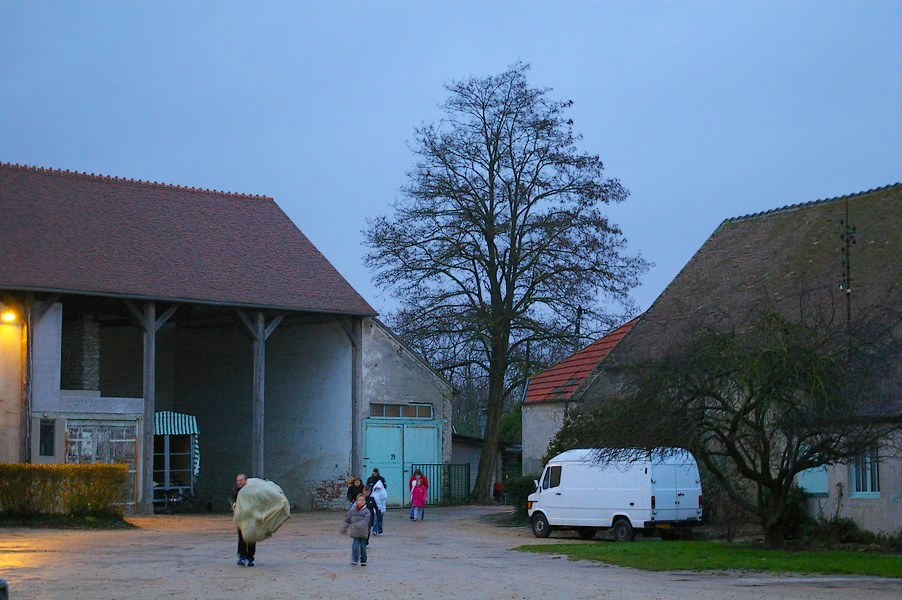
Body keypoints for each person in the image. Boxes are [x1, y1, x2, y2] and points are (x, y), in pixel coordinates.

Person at [231, 473, 255, 567]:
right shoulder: (235, 491)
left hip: (252, 517)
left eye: (241, 480)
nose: (239, 482)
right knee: (242, 537)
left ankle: (250, 558)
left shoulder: (252, 491)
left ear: (246, 481)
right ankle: (242, 557)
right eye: (238, 480)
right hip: (241, 518)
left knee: (252, 538)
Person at [340, 492, 371, 566]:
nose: (361, 502)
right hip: (355, 533)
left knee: (363, 547)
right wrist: (344, 528)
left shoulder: (367, 511)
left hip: (363, 533)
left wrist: (357, 524)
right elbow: (347, 520)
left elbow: (366, 521)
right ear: (356, 501)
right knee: (355, 547)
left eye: (363, 500)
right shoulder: (352, 511)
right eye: (360, 500)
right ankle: (355, 559)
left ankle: (363, 560)